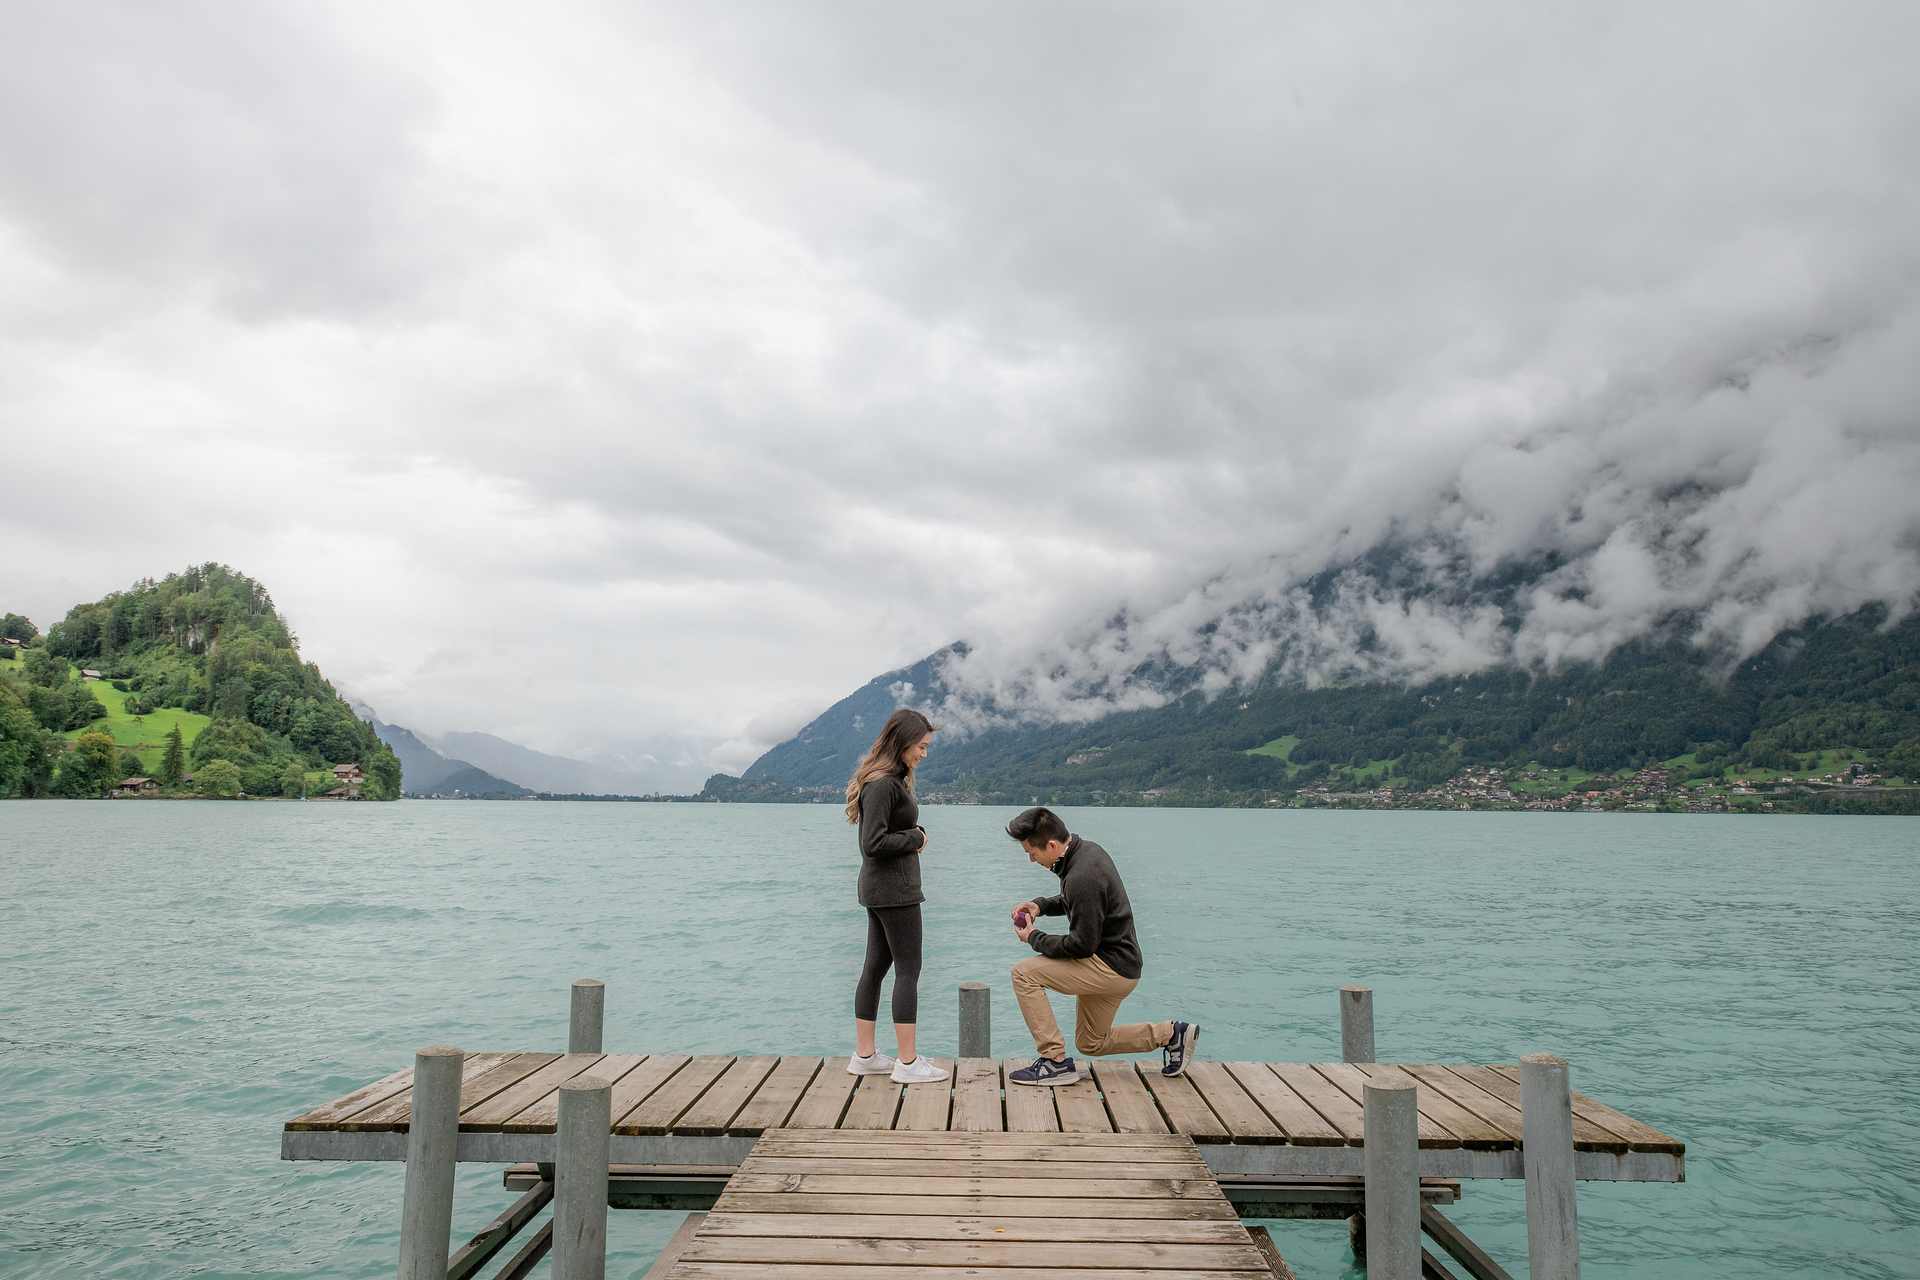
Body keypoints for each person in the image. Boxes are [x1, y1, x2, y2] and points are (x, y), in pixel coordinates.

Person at [1004, 806, 1198, 1086]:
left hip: (1108, 967)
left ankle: (1054, 1062)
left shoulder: (1081, 875)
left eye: (1031, 853)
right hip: (1123, 964)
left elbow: (1081, 945)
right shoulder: (1086, 852)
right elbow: (1076, 900)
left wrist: (1033, 937)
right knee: (1091, 1042)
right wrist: (1040, 905)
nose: (1030, 860)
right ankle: (1171, 1034)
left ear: (1051, 845)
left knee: (1023, 974)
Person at [843, 708, 949, 1084]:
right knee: (908, 970)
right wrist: (916, 838)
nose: (923, 753)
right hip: (895, 891)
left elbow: (881, 833)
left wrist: (910, 832)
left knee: (875, 968)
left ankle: (865, 1056)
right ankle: (907, 1063)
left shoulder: (885, 781)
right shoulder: (884, 784)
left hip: (880, 889)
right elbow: (873, 843)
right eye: (921, 746)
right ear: (902, 742)